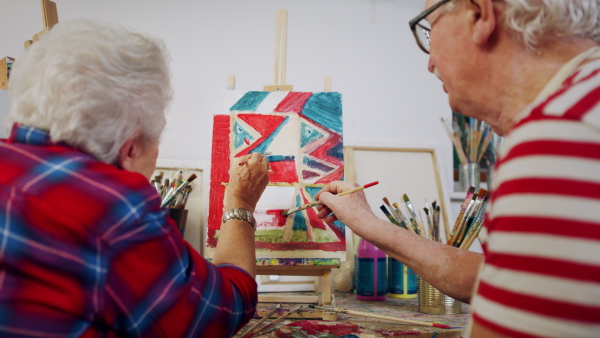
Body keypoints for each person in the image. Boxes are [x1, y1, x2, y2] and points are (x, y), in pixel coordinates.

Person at [316, 0, 600, 337]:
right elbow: (496, 276)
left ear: (479, 14)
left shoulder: (563, 132)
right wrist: (369, 225)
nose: (430, 63)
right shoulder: (580, 106)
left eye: (429, 31)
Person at [0, 19, 269, 337]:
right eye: (157, 139)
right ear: (130, 148)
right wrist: (240, 202)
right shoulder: (109, 205)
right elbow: (217, 314)